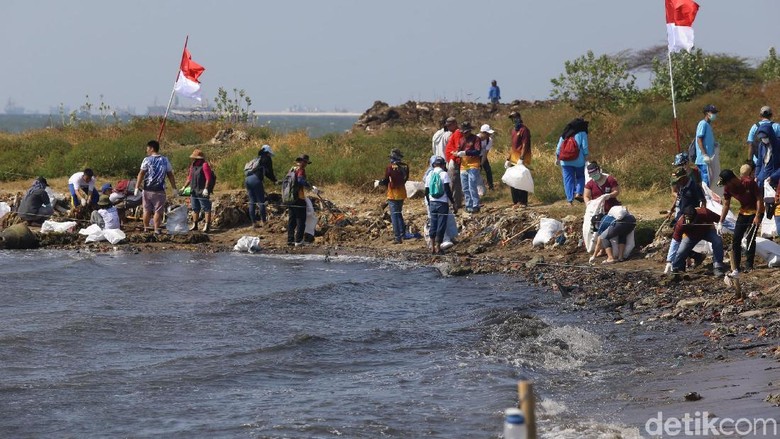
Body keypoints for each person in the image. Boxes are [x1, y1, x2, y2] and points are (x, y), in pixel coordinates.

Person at [718, 169, 762, 275]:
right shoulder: (728, 188)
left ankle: (749, 265)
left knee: (750, 238)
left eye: (727, 182)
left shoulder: (749, 182)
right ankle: (736, 266)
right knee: (736, 239)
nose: (726, 185)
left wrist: (757, 216)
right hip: (743, 212)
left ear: (732, 180)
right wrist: (721, 221)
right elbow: (726, 205)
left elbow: (759, 199)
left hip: (756, 211)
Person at [135, 140, 177, 234]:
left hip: (147, 189)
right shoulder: (165, 160)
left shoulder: (147, 160)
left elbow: (141, 173)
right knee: (158, 211)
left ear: (151, 148)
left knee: (146, 209)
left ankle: (146, 228)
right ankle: (156, 229)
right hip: (159, 190)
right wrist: (174, 188)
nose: (147, 150)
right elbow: (170, 174)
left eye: (147, 148)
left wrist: (137, 187)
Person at [671, 206, 725, 277]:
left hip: (707, 231)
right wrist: (669, 261)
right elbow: (675, 241)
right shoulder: (680, 223)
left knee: (718, 241)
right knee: (681, 250)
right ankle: (676, 269)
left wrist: (717, 224)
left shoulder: (704, 212)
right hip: (691, 236)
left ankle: (718, 266)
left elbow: (719, 219)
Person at [425, 156, 457, 254]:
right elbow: (447, 190)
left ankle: (432, 247)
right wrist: (453, 202)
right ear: (443, 165)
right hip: (442, 203)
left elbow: (426, 191)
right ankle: (438, 247)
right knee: (441, 225)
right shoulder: (444, 174)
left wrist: (430, 203)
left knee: (433, 224)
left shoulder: (429, 174)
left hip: (432, 203)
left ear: (434, 165)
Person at [376, 148, 409, 243]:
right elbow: (406, 179)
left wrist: (380, 183)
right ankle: (403, 234)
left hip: (393, 194)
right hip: (402, 193)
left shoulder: (390, 167)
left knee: (394, 215)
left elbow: (386, 180)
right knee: (399, 213)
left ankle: (397, 237)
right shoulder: (405, 166)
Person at [555, 118, 589, 204]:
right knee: (580, 176)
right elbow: (584, 147)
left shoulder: (565, 133)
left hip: (565, 161)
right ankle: (578, 193)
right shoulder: (582, 133)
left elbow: (559, 147)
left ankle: (570, 200)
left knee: (568, 180)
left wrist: (557, 158)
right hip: (578, 160)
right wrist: (586, 157)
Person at [287, 155, 317, 246]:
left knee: (292, 220)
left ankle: (290, 240)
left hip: (289, 198)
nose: (306, 164)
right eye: (306, 162)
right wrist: (310, 187)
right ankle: (298, 241)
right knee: (301, 219)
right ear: (303, 162)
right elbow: (300, 180)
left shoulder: (292, 169)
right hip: (298, 198)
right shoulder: (301, 170)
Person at [245, 144, 278, 228]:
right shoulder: (267, 159)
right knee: (261, 201)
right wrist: (274, 180)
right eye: (270, 153)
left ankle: (254, 223)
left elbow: (265, 172)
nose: (270, 155)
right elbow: (269, 172)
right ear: (267, 152)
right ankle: (264, 222)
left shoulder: (257, 159)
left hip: (247, 179)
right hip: (256, 179)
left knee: (252, 201)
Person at [182, 148, 214, 233]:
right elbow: (189, 178)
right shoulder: (193, 165)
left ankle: (207, 226)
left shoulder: (204, 165)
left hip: (202, 190)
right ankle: (195, 225)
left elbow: (208, 178)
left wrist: (206, 188)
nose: (193, 159)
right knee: (195, 208)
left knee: (206, 208)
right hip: (194, 190)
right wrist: (184, 187)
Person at [505, 111, 533, 207]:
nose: (514, 120)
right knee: (513, 180)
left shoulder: (524, 130)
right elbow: (513, 146)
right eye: (512, 118)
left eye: (515, 117)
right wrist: (508, 159)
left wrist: (521, 158)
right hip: (513, 158)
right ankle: (516, 201)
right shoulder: (513, 130)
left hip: (521, 158)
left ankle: (523, 202)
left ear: (519, 118)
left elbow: (525, 145)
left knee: (521, 180)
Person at [455, 122, 482, 213]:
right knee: (465, 187)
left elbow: (477, 151)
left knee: (472, 186)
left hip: (473, 164)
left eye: (465, 132)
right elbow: (459, 150)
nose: (464, 134)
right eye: (463, 132)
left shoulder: (476, 139)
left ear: (470, 131)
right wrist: (457, 153)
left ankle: (475, 204)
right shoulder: (461, 140)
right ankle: (468, 204)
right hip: (464, 165)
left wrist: (466, 153)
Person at [695, 104, 719, 189]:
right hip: (703, 160)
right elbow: (699, 139)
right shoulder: (703, 124)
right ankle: (705, 200)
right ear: (706, 113)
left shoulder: (708, 125)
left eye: (715, 112)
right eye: (712, 112)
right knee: (706, 182)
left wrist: (714, 144)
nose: (714, 114)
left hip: (709, 159)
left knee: (710, 181)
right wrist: (704, 154)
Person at [444, 120, 466, 209]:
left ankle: (456, 203)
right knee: (454, 182)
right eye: (447, 125)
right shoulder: (454, 133)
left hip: (455, 160)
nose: (448, 127)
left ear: (454, 124)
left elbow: (458, 147)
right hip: (452, 160)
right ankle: (456, 202)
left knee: (455, 182)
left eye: (449, 125)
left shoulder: (457, 133)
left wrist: (453, 159)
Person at [478, 124, 495, 191]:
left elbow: (485, 153)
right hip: (475, 157)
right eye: (487, 134)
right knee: (477, 172)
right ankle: (479, 188)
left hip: (483, 156)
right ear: (483, 132)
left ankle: (491, 186)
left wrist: (481, 164)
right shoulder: (475, 138)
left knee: (488, 170)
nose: (489, 135)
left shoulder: (489, 140)